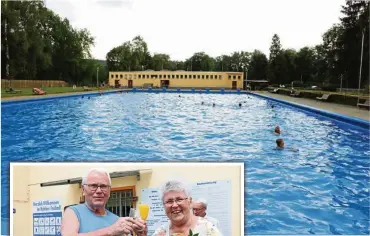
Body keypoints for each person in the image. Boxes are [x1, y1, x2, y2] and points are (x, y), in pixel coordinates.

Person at [61, 168, 147, 236]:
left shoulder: (116, 220)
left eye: (103, 186)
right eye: (93, 186)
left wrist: (141, 234)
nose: (99, 191)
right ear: (83, 190)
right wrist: (111, 230)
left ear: (109, 191)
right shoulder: (73, 212)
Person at [152, 180, 222, 236]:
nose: (174, 205)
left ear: (190, 202)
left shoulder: (207, 228)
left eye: (179, 199)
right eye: (169, 201)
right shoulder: (160, 231)